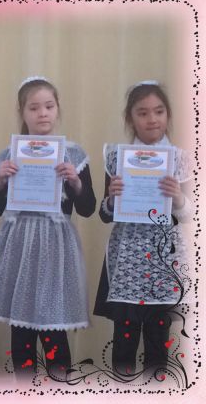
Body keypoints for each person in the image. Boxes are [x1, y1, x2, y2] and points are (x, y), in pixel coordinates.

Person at [0, 77, 96, 378]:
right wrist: (1, 181)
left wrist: (75, 182)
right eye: (34, 107)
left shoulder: (73, 155)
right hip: (19, 247)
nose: (43, 113)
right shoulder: (9, 155)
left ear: (57, 109)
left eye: (49, 106)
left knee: (53, 330)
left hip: (55, 249)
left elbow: (87, 208)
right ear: (22, 112)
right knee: (21, 331)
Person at [93, 81, 192, 377]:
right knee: (123, 347)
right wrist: (113, 199)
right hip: (126, 263)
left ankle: (155, 394)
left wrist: (178, 199)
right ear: (130, 118)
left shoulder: (181, 160)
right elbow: (104, 214)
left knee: (158, 347)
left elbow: (192, 216)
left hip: (164, 263)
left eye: (159, 111)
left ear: (168, 114)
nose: (152, 119)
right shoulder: (117, 158)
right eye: (143, 112)